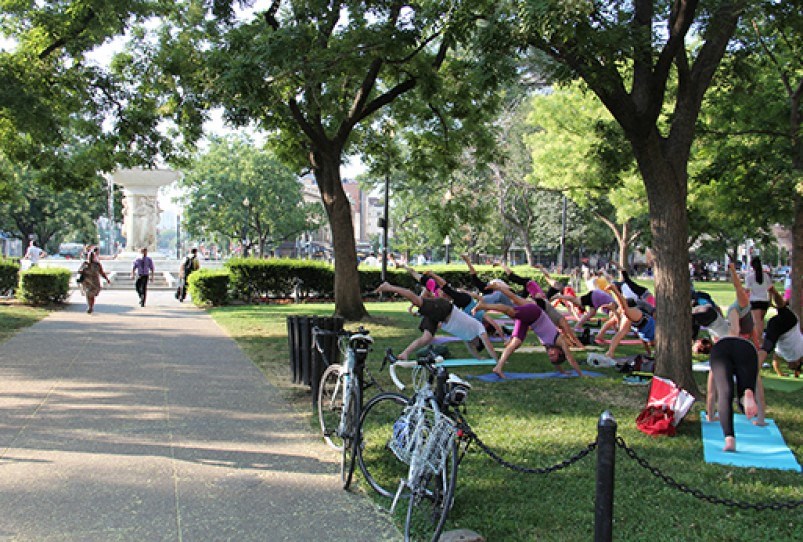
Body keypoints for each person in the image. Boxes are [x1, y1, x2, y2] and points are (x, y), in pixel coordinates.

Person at [473, 281, 583, 378]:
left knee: (514, 344)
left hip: (530, 320)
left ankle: (498, 368)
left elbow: (556, 362)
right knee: (510, 310)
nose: (550, 354)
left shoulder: (549, 346)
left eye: (550, 356)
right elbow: (571, 359)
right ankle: (484, 306)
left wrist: (562, 372)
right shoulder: (560, 341)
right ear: (560, 352)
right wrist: (581, 375)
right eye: (553, 354)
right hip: (535, 313)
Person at [374, 281, 498, 362]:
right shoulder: (479, 329)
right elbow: (489, 346)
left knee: (427, 338)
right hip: (444, 309)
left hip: (441, 317)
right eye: (474, 343)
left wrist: (479, 358)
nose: (471, 344)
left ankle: (405, 354)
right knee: (417, 301)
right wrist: (497, 360)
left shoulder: (468, 337)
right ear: (478, 340)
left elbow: (473, 350)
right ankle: (388, 287)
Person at [707, 336, 759, 452]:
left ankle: (729, 439)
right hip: (747, 347)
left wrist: (710, 415)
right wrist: (760, 419)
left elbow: (711, 392)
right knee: (745, 395)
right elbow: (759, 389)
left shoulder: (716, 350)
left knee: (724, 393)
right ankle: (745, 395)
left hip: (721, 350)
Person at [759, 286, 803, 379]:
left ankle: (773, 292)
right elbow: (776, 361)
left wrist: (780, 374)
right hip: (789, 325)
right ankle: (774, 292)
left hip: (780, 328)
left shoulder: (784, 354)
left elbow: (775, 361)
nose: (789, 365)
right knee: (782, 309)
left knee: (766, 348)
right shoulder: (795, 354)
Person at [745, 255, 772, 348]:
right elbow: (770, 289)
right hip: (764, 301)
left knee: (757, 322)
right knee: (761, 321)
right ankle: (760, 339)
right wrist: (770, 300)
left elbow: (747, 291)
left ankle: (759, 341)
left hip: (755, 301)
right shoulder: (766, 276)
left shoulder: (750, 277)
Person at [78, 247, 110, 314]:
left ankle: (91, 306)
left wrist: (107, 279)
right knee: (88, 294)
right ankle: (90, 307)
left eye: (92, 256)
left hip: (95, 282)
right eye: (89, 256)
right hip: (87, 282)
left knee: (91, 295)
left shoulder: (97, 265)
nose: (90, 258)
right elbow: (80, 271)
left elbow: (102, 272)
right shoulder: (85, 264)